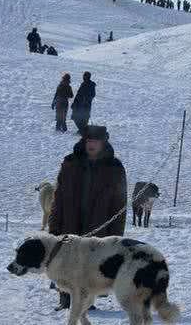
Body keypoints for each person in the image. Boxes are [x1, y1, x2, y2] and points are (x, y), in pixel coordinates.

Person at [48, 125, 127, 310]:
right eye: (88, 141)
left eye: (95, 141)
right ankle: (65, 298)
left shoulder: (114, 168)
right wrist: (53, 226)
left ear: (103, 142)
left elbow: (119, 206)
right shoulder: (70, 163)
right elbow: (57, 198)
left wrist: (116, 238)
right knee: (66, 260)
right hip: (69, 220)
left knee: (91, 264)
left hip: (99, 224)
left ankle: (85, 301)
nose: (91, 144)